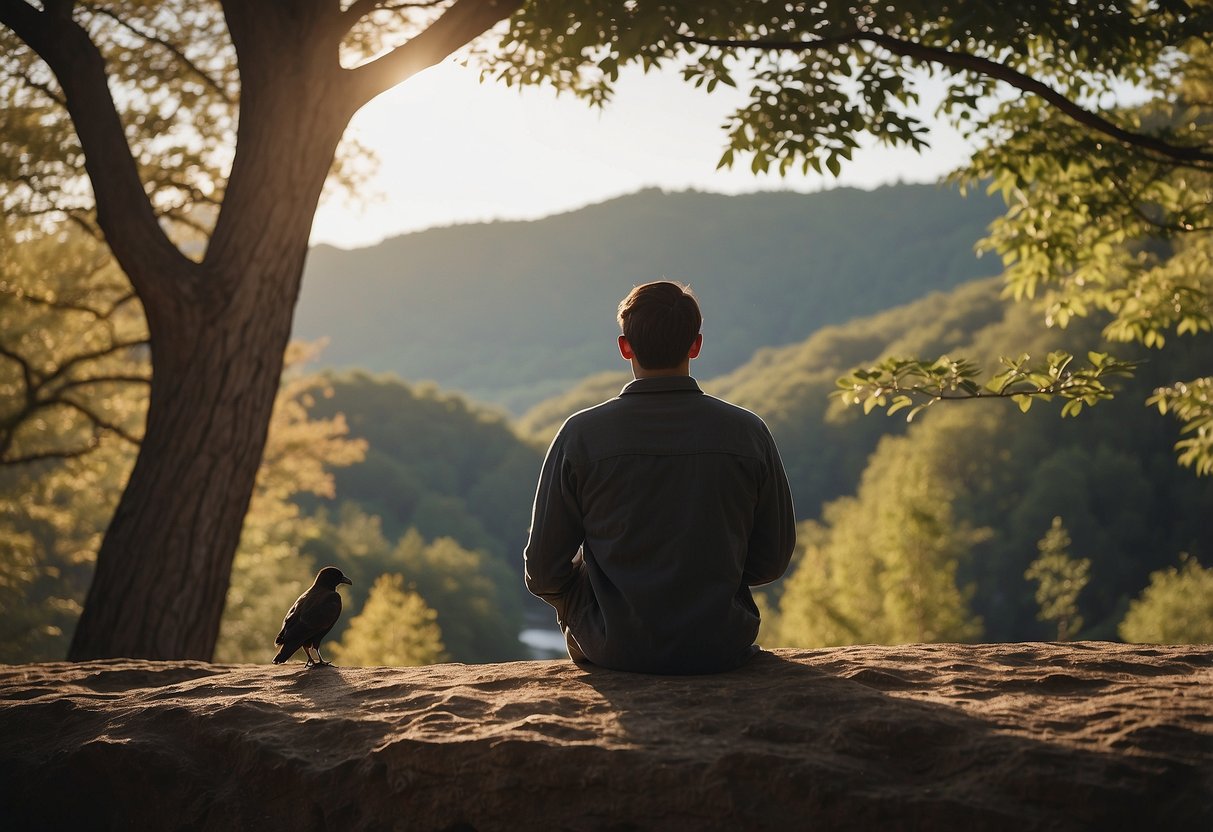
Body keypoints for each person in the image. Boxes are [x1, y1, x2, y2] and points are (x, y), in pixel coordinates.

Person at [523, 280, 796, 674]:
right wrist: (713, 573)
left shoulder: (580, 435)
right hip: (718, 646)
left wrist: (590, 598)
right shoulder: (748, 433)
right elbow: (771, 561)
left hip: (612, 648)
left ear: (624, 347)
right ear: (696, 345)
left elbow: (543, 571)